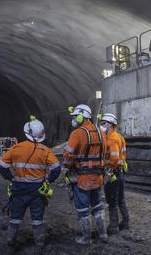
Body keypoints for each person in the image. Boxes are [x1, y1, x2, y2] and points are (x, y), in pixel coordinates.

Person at [0, 116, 61, 252]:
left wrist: (11, 178)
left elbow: (1, 166)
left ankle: (10, 243)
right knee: (37, 219)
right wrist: (48, 181)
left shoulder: (16, 148)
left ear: (27, 133)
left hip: (18, 190)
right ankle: (39, 245)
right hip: (37, 192)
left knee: (15, 218)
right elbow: (57, 169)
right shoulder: (45, 151)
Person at [63, 104, 108, 244]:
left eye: (75, 116)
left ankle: (86, 238)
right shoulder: (101, 132)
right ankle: (103, 234)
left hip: (82, 178)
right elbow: (104, 153)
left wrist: (67, 167)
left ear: (81, 116)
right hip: (98, 176)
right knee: (98, 205)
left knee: (83, 208)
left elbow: (68, 155)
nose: (74, 119)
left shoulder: (77, 133)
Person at [99, 113, 129, 234]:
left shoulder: (112, 138)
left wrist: (105, 167)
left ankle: (113, 227)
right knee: (120, 198)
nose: (101, 126)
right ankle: (126, 222)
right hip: (120, 172)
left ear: (111, 124)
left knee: (112, 201)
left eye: (104, 123)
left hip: (113, 174)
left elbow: (114, 158)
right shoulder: (119, 136)